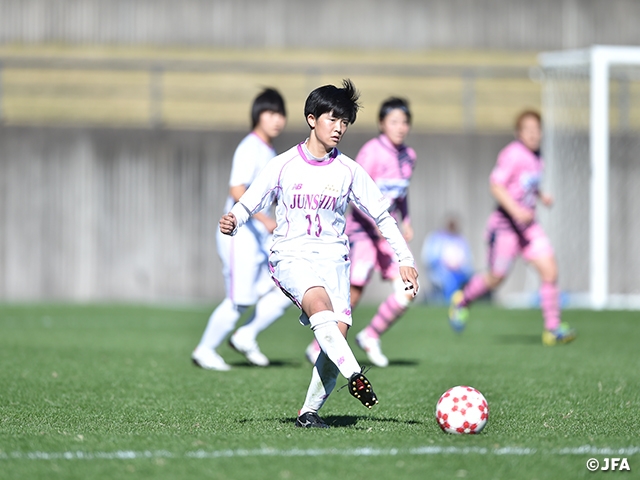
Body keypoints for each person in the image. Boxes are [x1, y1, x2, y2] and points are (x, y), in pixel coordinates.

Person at [219, 80, 419, 428]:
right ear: (312, 118)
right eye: (332, 119)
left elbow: (383, 216)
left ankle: (308, 413)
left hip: (335, 261)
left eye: (345, 122)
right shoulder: (283, 165)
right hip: (291, 256)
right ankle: (355, 372)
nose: (339, 128)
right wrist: (234, 219)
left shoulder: (349, 171)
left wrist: (405, 259)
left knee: (334, 337)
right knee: (320, 309)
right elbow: (251, 199)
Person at [303, 97, 417, 368]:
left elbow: (401, 194)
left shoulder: (409, 156)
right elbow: (356, 195)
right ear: (381, 124)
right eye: (394, 122)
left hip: (385, 232)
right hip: (363, 232)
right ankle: (318, 345)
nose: (400, 127)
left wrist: (407, 220)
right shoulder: (372, 152)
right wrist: (376, 225)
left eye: (404, 122)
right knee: (353, 291)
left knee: (408, 290)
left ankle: (370, 334)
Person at [448, 110, 576, 346]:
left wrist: (541, 196)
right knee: (496, 278)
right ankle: (462, 301)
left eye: (537, 130)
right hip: (506, 227)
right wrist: (516, 211)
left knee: (550, 272)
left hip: (528, 229)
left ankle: (553, 329)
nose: (534, 135)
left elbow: (526, 185)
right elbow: (496, 185)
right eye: (528, 130)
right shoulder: (512, 154)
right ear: (519, 133)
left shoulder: (539, 157)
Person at [192, 87, 292, 371]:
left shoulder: (269, 150)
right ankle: (205, 349)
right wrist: (265, 220)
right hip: (240, 236)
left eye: (281, 114)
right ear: (258, 116)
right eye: (271, 113)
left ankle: (245, 335)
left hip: (258, 238)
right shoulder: (250, 147)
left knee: (283, 288)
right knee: (240, 299)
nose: (277, 120)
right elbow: (237, 189)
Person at [421, 215, 474, 304]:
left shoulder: (461, 240)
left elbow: (468, 260)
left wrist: (460, 267)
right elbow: (429, 257)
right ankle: (448, 303)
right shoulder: (436, 238)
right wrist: (445, 264)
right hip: (441, 272)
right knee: (450, 281)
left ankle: (461, 301)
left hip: (460, 272)